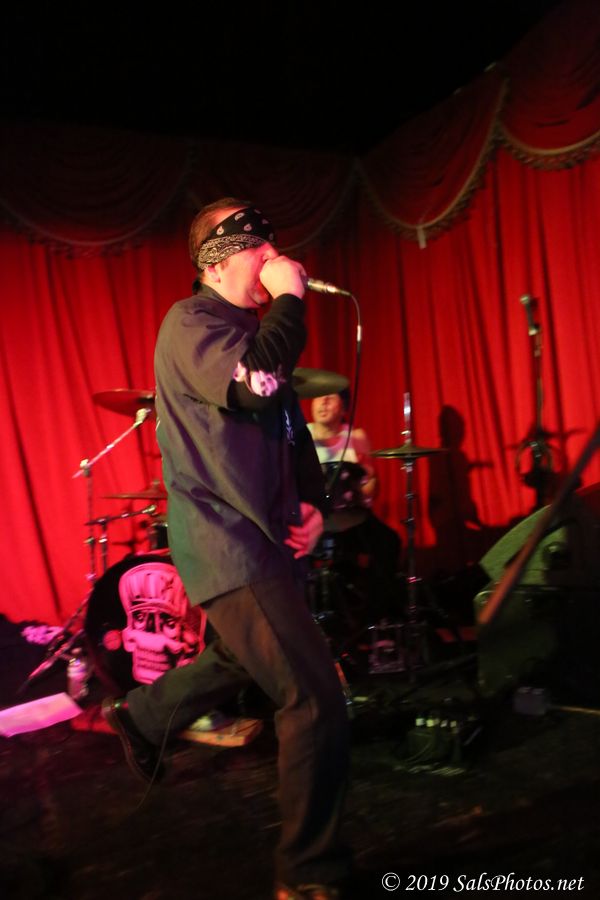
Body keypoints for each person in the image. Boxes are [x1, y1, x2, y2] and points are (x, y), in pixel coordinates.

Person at [102, 199, 351, 900]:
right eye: (256, 248)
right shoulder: (193, 322)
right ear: (215, 263)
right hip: (228, 541)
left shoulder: (250, 331)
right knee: (315, 700)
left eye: (274, 247)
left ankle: (140, 718)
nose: (272, 258)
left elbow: (289, 428)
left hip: (264, 540)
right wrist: (291, 298)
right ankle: (307, 873)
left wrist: (313, 504)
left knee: (238, 659)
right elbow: (258, 388)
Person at [307, 393, 403, 629]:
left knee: (388, 542)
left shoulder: (356, 436)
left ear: (344, 408)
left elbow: (371, 482)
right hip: (311, 523)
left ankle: (373, 621)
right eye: (318, 397)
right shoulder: (300, 436)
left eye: (330, 397)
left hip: (351, 519)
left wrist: (366, 489)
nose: (323, 402)